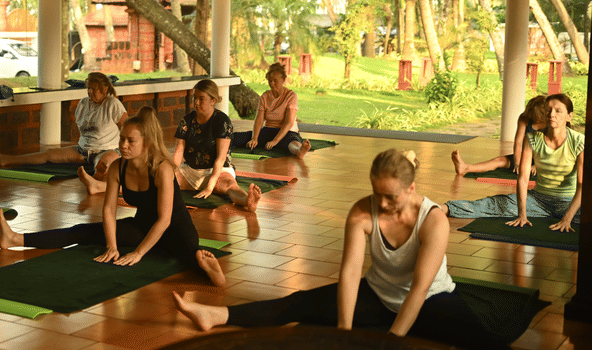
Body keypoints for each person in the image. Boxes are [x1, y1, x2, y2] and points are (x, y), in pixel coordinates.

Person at [173, 149, 511, 350]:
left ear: (411, 189)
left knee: (485, 341)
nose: (381, 203)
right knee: (301, 302)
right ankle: (216, 315)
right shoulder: (363, 212)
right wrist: (345, 337)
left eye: (391, 197)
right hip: (377, 295)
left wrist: (390, 343)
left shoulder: (433, 220)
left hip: (431, 300)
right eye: (377, 193)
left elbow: (420, 289)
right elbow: (349, 274)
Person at [0, 107, 226, 287]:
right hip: (141, 227)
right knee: (81, 231)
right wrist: (112, 246)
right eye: (122, 139)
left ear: (146, 143)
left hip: (175, 228)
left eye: (131, 141)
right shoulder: (118, 167)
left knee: (190, 252)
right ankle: (15, 239)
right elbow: (108, 210)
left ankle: (212, 271)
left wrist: (138, 253)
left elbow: (165, 220)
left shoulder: (162, 168)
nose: (123, 145)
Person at [445, 93, 583, 232]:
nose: (552, 114)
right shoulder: (532, 138)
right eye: (548, 110)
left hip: (568, 202)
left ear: (569, 116)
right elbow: (523, 179)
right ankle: (442, 208)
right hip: (537, 200)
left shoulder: (579, 142)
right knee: (495, 203)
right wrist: (522, 215)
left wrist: (567, 219)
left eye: (558, 111)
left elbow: (582, 185)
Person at [0, 72, 128, 194]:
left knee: (104, 162)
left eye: (94, 89)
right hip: (83, 150)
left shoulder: (112, 104)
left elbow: (127, 129)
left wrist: (125, 152)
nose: (90, 92)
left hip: (107, 149)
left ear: (105, 89)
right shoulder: (84, 103)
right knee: (49, 155)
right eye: (88, 89)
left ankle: (97, 177)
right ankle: (7, 160)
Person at [174, 79, 261, 212]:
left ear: (213, 100)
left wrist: (210, 186)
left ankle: (248, 201)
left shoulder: (222, 121)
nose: (196, 103)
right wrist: (171, 172)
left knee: (230, 186)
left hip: (219, 171)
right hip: (191, 171)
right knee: (165, 179)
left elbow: (220, 158)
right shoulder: (187, 120)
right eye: (194, 98)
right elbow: (179, 151)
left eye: (201, 99)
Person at [451, 95, 547, 176]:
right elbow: (518, 143)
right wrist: (517, 163)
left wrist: (539, 166)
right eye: (532, 116)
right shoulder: (524, 117)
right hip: (528, 155)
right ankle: (465, 168)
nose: (533, 119)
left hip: (549, 159)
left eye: (536, 118)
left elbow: (556, 149)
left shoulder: (552, 122)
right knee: (500, 160)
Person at [231, 62, 310, 157]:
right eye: (270, 81)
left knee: (291, 142)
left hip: (287, 132)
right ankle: (216, 141)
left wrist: (275, 141)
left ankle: (299, 150)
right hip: (268, 131)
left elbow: (289, 122)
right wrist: (255, 138)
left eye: (275, 80)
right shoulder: (265, 96)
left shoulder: (291, 96)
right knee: (240, 137)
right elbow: (259, 120)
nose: (272, 83)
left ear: (283, 80)